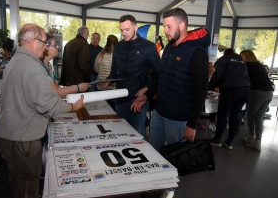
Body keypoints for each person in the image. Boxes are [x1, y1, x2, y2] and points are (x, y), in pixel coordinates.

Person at [0, 23, 86, 198]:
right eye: (44, 42)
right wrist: (75, 107)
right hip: (23, 140)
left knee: (18, 182)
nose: (45, 47)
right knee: (28, 185)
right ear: (32, 41)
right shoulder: (32, 67)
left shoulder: (16, 60)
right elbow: (50, 105)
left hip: (9, 135)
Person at [131, 8, 210, 151]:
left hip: (178, 119)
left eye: (169, 27)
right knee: (154, 152)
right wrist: (146, 96)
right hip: (159, 112)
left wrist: (191, 125)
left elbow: (201, 91)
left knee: (175, 158)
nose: (165, 31)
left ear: (182, 26)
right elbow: (162, 76)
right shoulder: (169, 48)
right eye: (164, 27)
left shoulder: (197, 53)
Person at [99, 14, 161, 136]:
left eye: (127, 29)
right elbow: (114, 71)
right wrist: (108, 81)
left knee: (136, 135)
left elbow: (160, 72)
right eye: (122, 30)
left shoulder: (148, 47)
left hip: (138, 99)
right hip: (120, 99)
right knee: (119, 134)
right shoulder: (118, 47)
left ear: (136, 28)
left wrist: (147, 89)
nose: (124, 33)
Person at [209, 48, 251, 150]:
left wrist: (210, 86)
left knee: (222, 115)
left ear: (225, 54)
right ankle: (229, 142)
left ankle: (216, 140)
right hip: (245, 89)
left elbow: (217, 75)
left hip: (231, 90)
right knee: (235, 115)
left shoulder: (223, 60)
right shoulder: (242, 61)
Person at [240, 50, 273, 151]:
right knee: (259, 117)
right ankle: (257, 141)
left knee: (250, 116)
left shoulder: (248, 66)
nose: (241, 58)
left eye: (242, 56)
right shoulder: (258, 65)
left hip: (258, 92)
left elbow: (244, 79)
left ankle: (252, 137)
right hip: (269, 93)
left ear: (247, 56)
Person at [42, 33, 91, 98]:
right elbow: (55, 92)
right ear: (46, 47)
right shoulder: (40, 67)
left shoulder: (49, 65)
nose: (58, 47)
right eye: (55, 45)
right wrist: (78, 87)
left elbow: (55, 88)